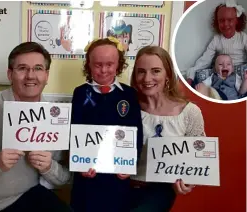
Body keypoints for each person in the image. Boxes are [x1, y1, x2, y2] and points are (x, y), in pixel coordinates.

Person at [0, 42, 72, 212]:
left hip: (29, 195)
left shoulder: (54, 117)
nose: (30, 75)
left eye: (38, 68)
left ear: (46, 75)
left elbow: (65, 178)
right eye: (22, 68)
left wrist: (49, 167)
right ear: (10, 74)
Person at [69, 37, 144, 212]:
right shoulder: (80, 93)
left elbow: (136, 133)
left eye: (109, 64)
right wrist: (79, 165)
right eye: (97, 65)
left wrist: (131, 164)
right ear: (89, 65)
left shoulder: (129, 94)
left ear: (118, 65)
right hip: (87, 177)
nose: (103, 70)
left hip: (117, 178)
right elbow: (73, 130)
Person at [129, 45, 205, 211]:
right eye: (141, 71)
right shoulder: (125, 108)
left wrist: (187, 180)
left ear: (168, 75)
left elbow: (198, 159)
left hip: (160, 190)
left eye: (155, 71)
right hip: (121, 185)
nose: (147, 78)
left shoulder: (189, 112)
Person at [185, 0, 247, 86]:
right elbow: (205, 60)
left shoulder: (243, 37)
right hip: (222, 73)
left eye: (230, 20)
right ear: (217, 22)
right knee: (200, 75)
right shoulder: (216, 39)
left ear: (237, 21)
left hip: (240, 72)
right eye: (221, 20)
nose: (226, 24)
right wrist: (191, 74)